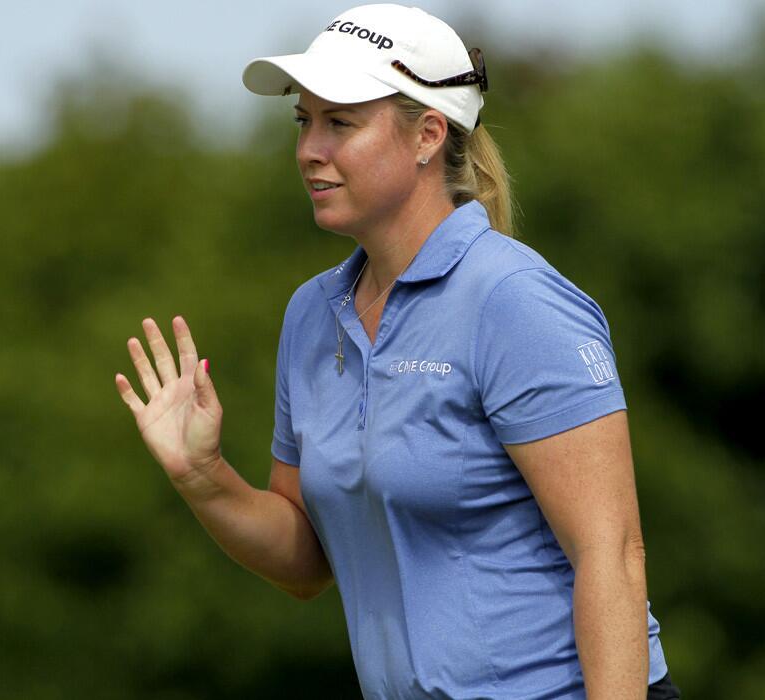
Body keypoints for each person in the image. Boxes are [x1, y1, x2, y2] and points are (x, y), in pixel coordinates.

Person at [114, 4, 679, 698]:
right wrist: (202, 476)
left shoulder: (514, 300)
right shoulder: (312, 315)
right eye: (304, 121)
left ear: (427, 135)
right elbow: (308, 561)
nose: (309, 150)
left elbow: (612, 557)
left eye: (340, 123)